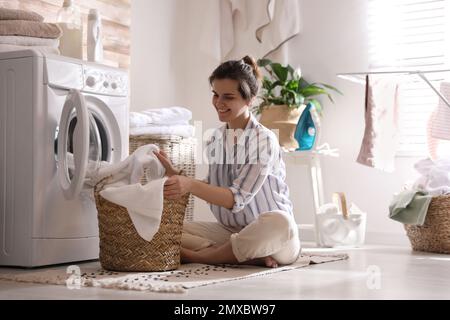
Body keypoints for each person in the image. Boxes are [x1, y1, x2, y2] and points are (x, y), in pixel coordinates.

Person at [154, 55, 300, 268]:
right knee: (162, 226)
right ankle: (245, 255)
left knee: (280, 222)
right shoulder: (215, 139)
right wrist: (179, 178)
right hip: (232, 232)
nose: (219, 103)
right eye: (215, 94)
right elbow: (215, 188)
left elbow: (236, 198)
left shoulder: (263, 140)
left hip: (276, 236)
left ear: (249, 100)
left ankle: (202, 256)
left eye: (228, 97)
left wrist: (190, 185)